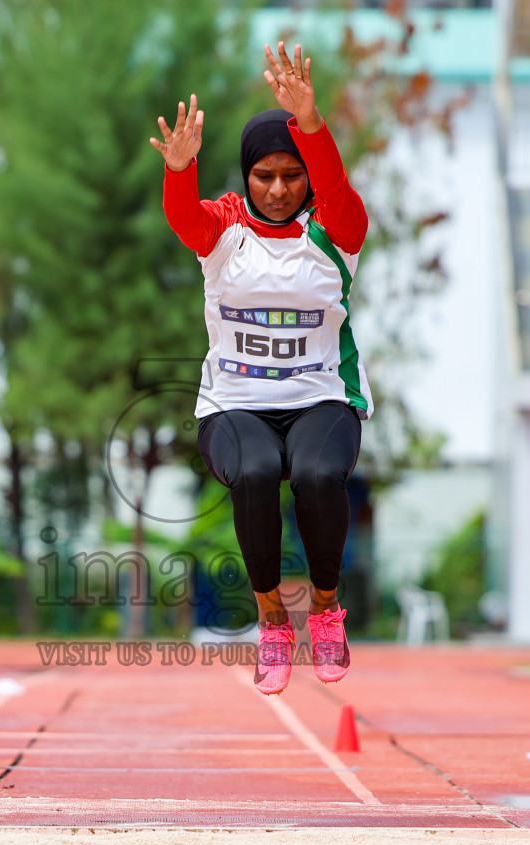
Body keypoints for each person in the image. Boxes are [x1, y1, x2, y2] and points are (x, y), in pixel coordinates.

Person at [153, 41, 370, 696]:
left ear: (307, 176)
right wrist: (180, 169)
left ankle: (326, 608)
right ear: (245, 175)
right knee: (254, 472)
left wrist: (312, 125)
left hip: (321, 399)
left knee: (315, 473)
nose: (278, 189)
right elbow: (182, 217)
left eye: (291, 175)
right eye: (264, 176)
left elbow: (334, 188)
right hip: (233, 405)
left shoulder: (338, 228)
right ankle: (274, 619)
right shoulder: (222, 227)